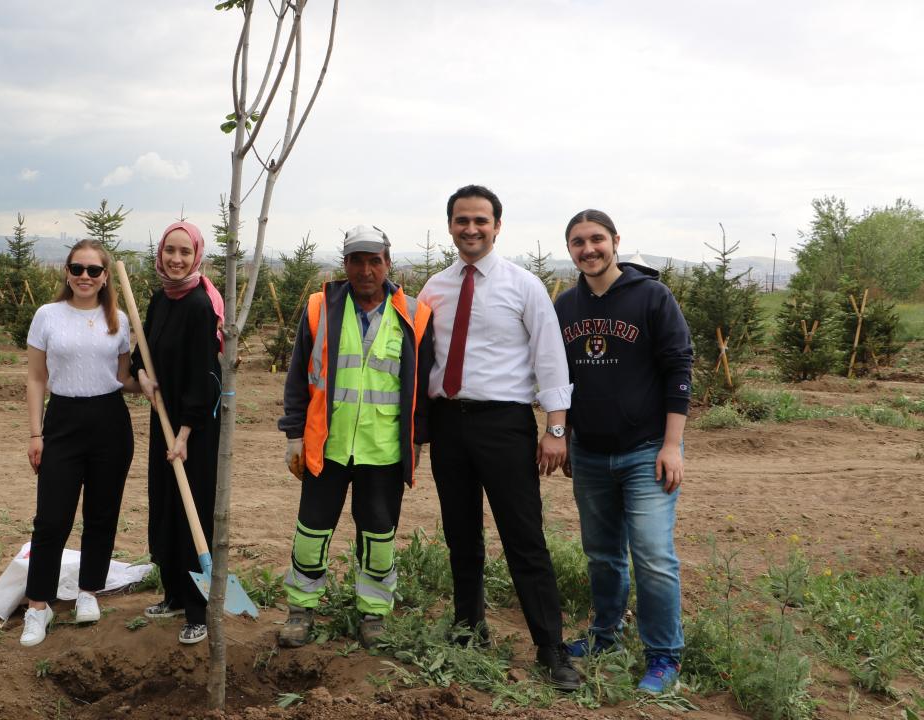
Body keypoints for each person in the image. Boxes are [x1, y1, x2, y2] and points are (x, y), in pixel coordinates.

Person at [418, 185, 581, 690]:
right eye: (462, 220)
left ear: (497, 226)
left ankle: (550, 647)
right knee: (460, 534)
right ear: (450, 226)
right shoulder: (434, 288)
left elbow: (551, 358)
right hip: (449, 424)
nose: (471, 229)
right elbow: (422, 361)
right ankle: (470, 628)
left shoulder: (524, 286)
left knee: (524, 538)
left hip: (505, 426)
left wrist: (556, 429)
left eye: (480, 221)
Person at [554, 210, 693, 693]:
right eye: (577, 242)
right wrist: (564, 435)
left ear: (615, 241)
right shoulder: (566, 306)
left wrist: (673, 445)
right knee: (602, 554)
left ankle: (663, 656)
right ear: (569, 248)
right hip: (589, 454)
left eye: (596, 239)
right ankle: (605, 635)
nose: (588, 249)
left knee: (653, 554)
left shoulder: (652, 297)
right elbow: (559, 379)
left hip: (646, 451)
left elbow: (679, 367)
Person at [276, 225, 434, 650]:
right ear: (344, 264)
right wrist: (294, 433)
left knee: (379, 534)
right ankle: (301, 608)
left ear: (388, 263)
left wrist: (416, 442)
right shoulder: (319, 309)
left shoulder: (414, 315)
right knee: (312, 530)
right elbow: (298, 378)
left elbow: (421, 389)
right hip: (326, 445)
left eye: (374, 261)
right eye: (356, 261)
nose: (366, 270)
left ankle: (374, 613)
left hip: (383, 450)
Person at [19, 239, 140, 647]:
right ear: (67, 272)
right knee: (51, 518)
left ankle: (89, 591)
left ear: (106, 277)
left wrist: (150, 384)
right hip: (63, 421)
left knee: (102, 514)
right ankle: (39, 605)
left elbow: (122, 379)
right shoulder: (47, 316)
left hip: (110, 422)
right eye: (77, 268)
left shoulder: (118, 320)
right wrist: (36, 433)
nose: (84, 277)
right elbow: (37, 378)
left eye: (93, 270)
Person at [132, 221, 225, 646]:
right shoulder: (159, 299)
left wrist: (185, 434)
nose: (176, 258)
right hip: (163, 417)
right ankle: (171, 592)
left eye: (185, 252)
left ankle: (197, 609)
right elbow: (142, 353)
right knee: (166, 504)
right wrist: (140, 376)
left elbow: (204, 377)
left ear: (197, 256)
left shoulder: (200, 305)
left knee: (193, 509)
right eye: (170, 249)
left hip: (195, 427)